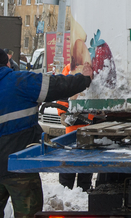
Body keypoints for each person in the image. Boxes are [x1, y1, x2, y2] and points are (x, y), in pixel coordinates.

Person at [0, 47, 92, 218]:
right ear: (7, 63)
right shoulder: (19, 81)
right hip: (21, 168)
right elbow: (57, 86)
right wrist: (84, 79)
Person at [56, 63, 93, 191]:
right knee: (74, 159)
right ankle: (72, 188)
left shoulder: (70, 68)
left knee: (78, 160)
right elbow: (63, 93)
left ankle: (76, 188)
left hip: (84, 124)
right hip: (79, 125)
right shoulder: (71, 68)